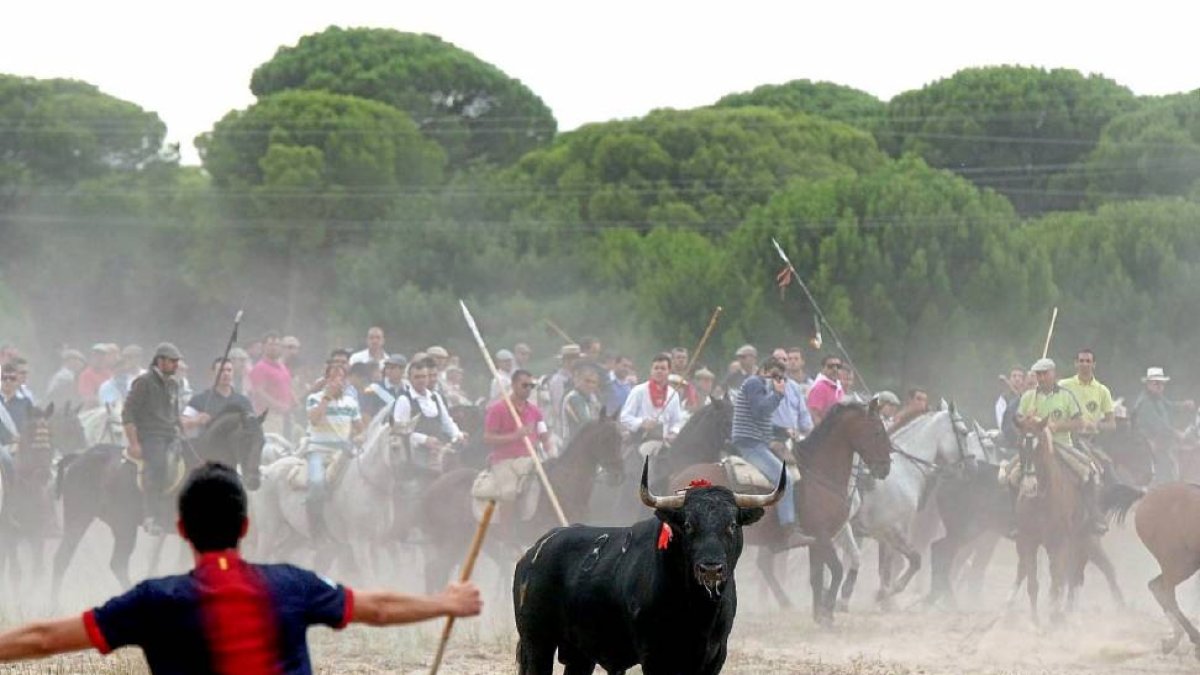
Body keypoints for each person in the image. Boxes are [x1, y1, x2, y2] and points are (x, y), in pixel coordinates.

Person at [0, 462, 481, 671]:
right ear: (246, 526)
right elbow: (375, 607)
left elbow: (43, 639)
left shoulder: (154, 601)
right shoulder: (292, 585)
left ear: (182, 530)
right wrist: (445, 602)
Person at [731, 357, 814, 548]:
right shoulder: (754, 382)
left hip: (759, 442)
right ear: (764, 370)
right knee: (785, 479)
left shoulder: (762, 387)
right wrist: (777, 395)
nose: (778, 381)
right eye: (775, 376)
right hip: (751, 444)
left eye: (781, 378)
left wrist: (778, 437)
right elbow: (760, 410)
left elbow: (761, 418)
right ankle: (789, 530)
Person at [123, 343, 184, 533]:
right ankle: (150, 515)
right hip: (150, 435)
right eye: (172, 361)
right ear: (160, 360)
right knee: (157, 464)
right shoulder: (144, 382)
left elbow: (174, 414)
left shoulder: (174, 384)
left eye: (177, 361)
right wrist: (134, 442)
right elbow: (128, 413)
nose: (176, 365)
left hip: (170, 435)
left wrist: (184, 427)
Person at [303, 362, 363, 541]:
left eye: (341, 377)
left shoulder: (351, 402)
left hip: (343, 452)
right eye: (333, 377)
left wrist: (360, 436)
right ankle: (316, 527)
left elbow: (359, 427)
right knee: (316, 483)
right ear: (326, 379)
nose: (337, 381)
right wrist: (326, 399)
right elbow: (314, 420)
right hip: (319, 451)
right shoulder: (314, 398)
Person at [392, 358, 465, 474]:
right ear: (409, 379)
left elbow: (446, 422)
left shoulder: (435, 397)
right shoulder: (404, 400)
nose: (421, 380)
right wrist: (424, 439)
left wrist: (457, 434)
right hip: (416, 455)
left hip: (439, 451)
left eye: (424, 377)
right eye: (417, 377)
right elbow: (399, 431)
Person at [1133, 366, 1195, 483]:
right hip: (1148, 444)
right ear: (1148, 384)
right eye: (1156, 383)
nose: (1160, 386)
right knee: (1166, 466)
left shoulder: (1157, 398)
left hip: (1160, 441)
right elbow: (1159, 425)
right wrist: (1176, 433)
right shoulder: (1145, 403)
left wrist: (1183, 405)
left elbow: (1170, 406)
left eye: (1161, 384)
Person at [619, 354, 684, 456]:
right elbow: (624, 417)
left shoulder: (673, 394)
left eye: (663, 368)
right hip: (641, 440)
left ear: (669, 371)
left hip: (666, 443)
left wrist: (674, 432)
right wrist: (642, 423)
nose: (659, 371)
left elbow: (676, 421)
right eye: (656, 368)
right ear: (651, 370)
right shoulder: (639, 391)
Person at [182, 358, 254, 436]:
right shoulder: (200, 400)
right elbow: (182, 423)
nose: (226, 373)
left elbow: (253, 426)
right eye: (221, 370)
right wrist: (196, 421)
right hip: (207, 446)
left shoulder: (243, 401)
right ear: (213, 373)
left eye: (229, 370)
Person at [249, 332, 295, 438]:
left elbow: (287, 386)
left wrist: (294, 402)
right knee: (273, 447)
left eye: (277, 345)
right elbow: (259, 392)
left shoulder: (282, 367)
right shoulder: (260, 368)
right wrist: (277, 405)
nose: (274, 348)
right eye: (271, 344)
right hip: (269, 416)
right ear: (263, 346)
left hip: (286, 415)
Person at [0, 363, 32, 489]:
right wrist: (10, 439)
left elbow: (31, 424)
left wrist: (22, 440)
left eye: (12, 378)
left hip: (22, 444)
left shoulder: (25, 402)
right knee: (6, 460)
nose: (8, 381)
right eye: (4, 378)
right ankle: (10, 490)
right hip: (2, 445)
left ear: (17, 381)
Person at [772, 347, 814, 442]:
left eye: (784, 359)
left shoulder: (795, 387)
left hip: (795, 438)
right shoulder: (763, 385)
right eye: (777, 359)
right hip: (774, 438)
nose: (781, 362)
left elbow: (804, 415)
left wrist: (810, 433)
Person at [560, 363, 603, 446]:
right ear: (578, 380)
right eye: (587, 381)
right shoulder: (574, 398)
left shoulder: (592, 398)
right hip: (572, 446)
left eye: (593, 382)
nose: (590, 385)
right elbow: (586, 423)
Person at [546, 344, 581, 438]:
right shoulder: (558, 380)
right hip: (564, 427)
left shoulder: (579, 377)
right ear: (566, 361)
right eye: (573, 359)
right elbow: (558, 406)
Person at [360, 354, 407, 421]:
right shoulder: (374, 388)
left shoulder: (407, 389)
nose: (389, 370)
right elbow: (366, 412)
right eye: (387, 367)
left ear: (402, 370)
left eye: (392, 368)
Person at [806, 355, 845, 426]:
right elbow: (814, 415)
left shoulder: (838, 387)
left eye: (838, 367)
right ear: (823, 369)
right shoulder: (820, 387)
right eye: (830, 366)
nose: (835, 369)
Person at [77, 343, 118, 408]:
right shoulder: (86, 375)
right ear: (91, 358)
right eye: (96, 356)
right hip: (94, 410)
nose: (99, 359)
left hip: (112, 408)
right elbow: (87, 398)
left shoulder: (110, 374)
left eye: (102, 357)